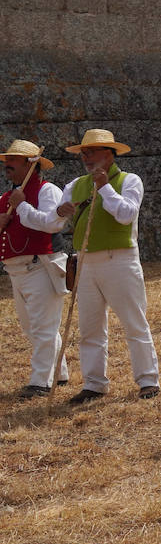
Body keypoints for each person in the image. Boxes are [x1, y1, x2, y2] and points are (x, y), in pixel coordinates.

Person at [42, 129, 160, 403]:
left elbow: (126, 215)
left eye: (91, 152)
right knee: (90, 327)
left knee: (134, 322)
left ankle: (148, 380)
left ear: (109, 154)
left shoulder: (130, 181)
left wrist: (105, 187)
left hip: (119, 260)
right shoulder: (74, 186)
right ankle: (94, 384)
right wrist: (59, 213)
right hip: (85, 262)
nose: (86, 157)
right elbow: (52, 223)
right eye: (83, 153)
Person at [1, 140, 69, 397]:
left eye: (13, 160)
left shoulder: (46, 190)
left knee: (43, 328)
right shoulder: (6, 197)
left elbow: (52, 223)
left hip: (40, 266)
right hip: (16, 271)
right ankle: (59, 373)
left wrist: (22, 206)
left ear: (31, 164)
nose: (6, 165)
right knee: (33, 327)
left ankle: (40, 382)